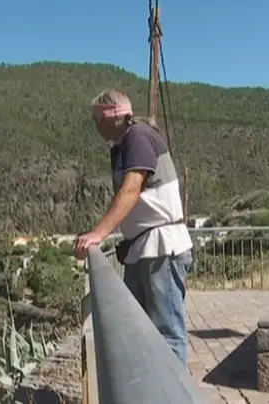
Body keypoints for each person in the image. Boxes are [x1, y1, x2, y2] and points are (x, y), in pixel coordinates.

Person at [73, 89, 194, 365]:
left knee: (167, 334)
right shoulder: (122, 145)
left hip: (161, 246)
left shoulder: (138, 136)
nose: (95, 125)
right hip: (143, 248)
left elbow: (130, 190)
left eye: (96, 118)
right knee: (140, 330)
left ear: (111, 116)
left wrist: (98, 233)